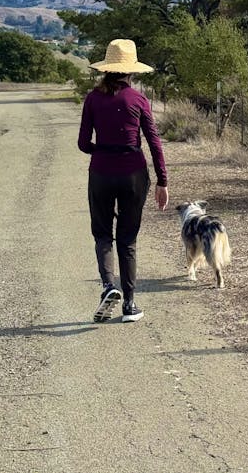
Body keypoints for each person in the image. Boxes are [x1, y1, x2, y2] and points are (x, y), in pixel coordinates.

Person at [78, 39, 168, 323]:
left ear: (106, 69)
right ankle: (129, 304)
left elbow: (83, 143)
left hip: (101, 173)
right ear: (131, 71)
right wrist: (162, 181)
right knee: (127, 240)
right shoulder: (138, 99)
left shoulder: (93, 98)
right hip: (133, 174)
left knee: (103, 234)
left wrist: (102, 151)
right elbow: (154, 142)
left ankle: (107, 286)